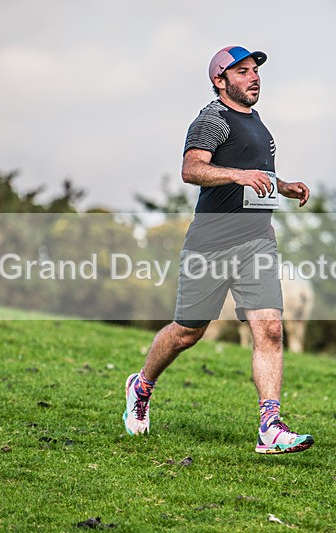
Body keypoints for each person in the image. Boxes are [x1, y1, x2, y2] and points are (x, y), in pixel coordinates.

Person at [123, 45, 314, 454]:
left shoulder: (259, 124)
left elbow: (256, 175)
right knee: (187, 332)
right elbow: (192, 169)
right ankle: (141, 386)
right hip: (210, 245)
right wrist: (236, 175)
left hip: (257, 242)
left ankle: (270, 426)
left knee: (271, 328)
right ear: (219, 80)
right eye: (242, 71)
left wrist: (283, 186)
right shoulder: (211, 119)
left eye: (255, 71)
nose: (253, 77)